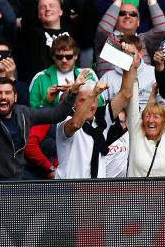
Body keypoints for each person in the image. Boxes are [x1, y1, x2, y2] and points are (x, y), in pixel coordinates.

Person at [55, 44, 136, 179]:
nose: (91, 105)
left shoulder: (101, 118)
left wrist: (128, 63)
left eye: (94, 101)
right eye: (83, 100)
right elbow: (75, 124)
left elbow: (126, 94)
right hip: (69, 192)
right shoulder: (64, 119)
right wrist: (93, 95)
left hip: (96, 193)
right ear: (74, 103)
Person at [0, 76, 79, 181]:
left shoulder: (24, 113)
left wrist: (73, 93)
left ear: (15, 97)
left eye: (7, 93)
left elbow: (57, 115)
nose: (3, 96)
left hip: (17, 180)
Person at [126, 49, 165, 177]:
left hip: (164, 197)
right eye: (147, 116)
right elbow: (132, 103)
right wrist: (133, 70)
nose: (151, 120)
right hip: (136, 196)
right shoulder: (137, 132)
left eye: (156, 116)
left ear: (164, 121)